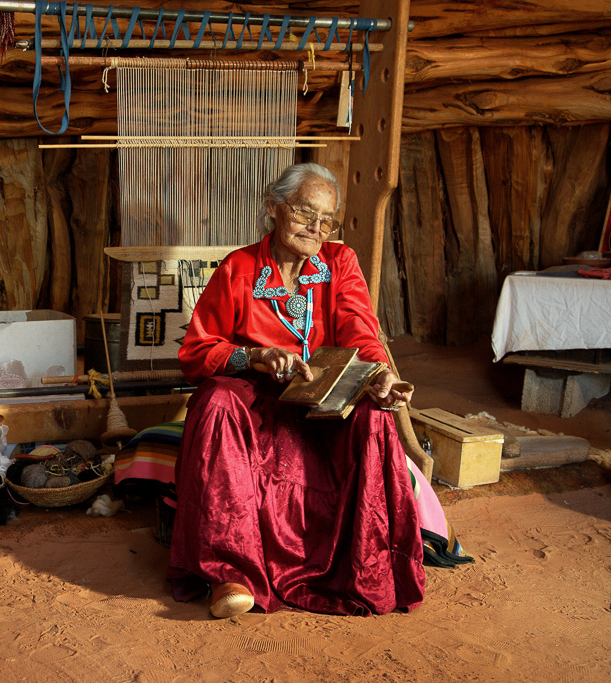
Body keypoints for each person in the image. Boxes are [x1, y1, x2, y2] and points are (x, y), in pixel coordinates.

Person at [170, 162, 426, 618]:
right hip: (257, 399)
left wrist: (380, 374)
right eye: (306, 211)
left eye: (327, 219)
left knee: (373, 414)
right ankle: (231, 573)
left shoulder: (339, 263)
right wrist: (255, 356)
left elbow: (360, 331)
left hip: (323, 400)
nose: (316, 227)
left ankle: (361, 568)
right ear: (273, 207)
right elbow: (196, 351)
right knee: (216, 402)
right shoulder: (240, 267)